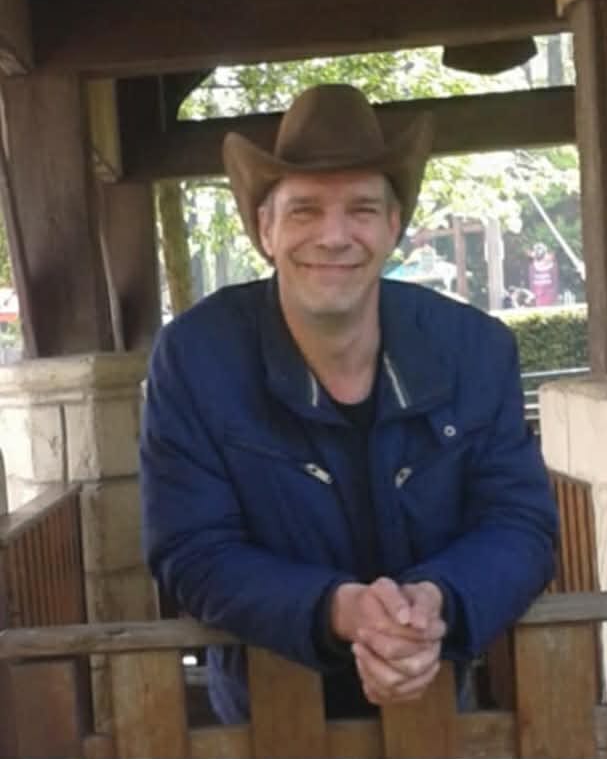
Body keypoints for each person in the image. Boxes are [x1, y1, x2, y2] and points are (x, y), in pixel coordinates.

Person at [140, 84, 558, 723]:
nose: (334, 236)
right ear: (265, 230)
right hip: (267, 716)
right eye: (304, 210)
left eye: (361, 209)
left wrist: (434, 602)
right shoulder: (195, 357)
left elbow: (520, 525)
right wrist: (341, 610)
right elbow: (190, 550)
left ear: (394, 227)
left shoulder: (475, 349)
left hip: (435, 694)